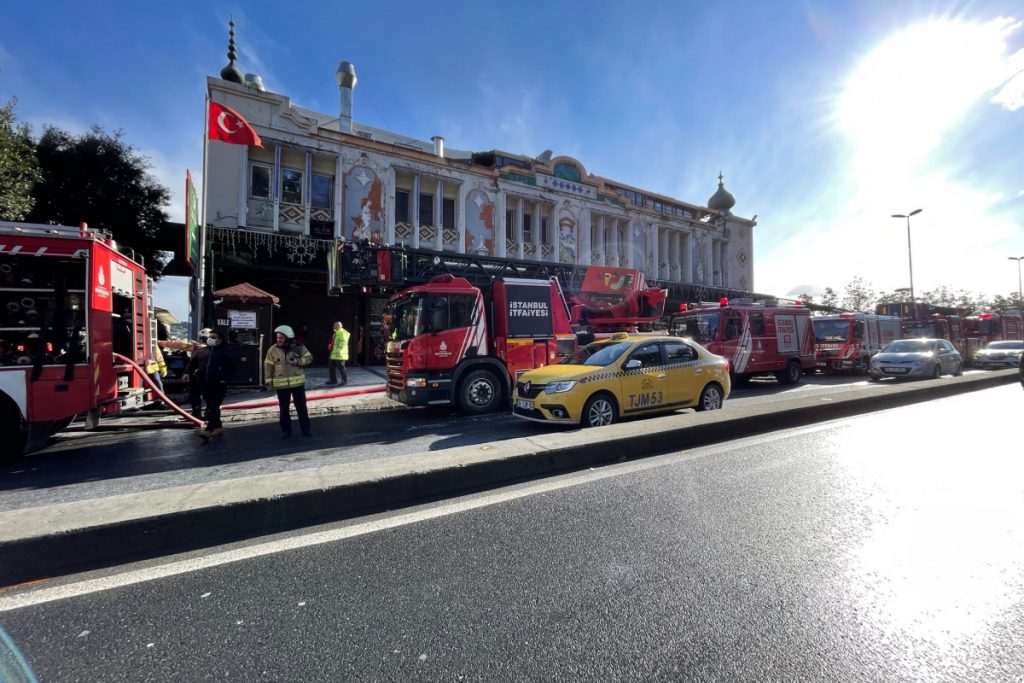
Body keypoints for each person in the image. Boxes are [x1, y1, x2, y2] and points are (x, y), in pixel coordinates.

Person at [182, 328, 236, 441]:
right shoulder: (202, 351)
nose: (210, 339)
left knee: (214, 405)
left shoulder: (226, 351)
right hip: (204, 382)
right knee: (211, 405)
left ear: (220, 339)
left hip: (219, 383)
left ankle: (208, 429)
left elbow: (233, 367)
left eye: (213, 337)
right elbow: (192, 363)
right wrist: (187, 373)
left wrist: (225, 379)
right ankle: (218, 427)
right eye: (209, 337)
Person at [264, 324, 313, 438]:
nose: (278, 340)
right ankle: (286, 431)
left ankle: (306, 429)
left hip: (297, 384)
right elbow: (268, 366)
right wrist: (268, 381)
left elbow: (309, 358)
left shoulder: (299, 347)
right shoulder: (272, 350)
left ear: (288, 337)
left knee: (301, 407)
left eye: (281, 337)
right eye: (277, 337)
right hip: (282, 385)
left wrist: (298, 361)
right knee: (284, 409)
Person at [185, 328, 212, 419]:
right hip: (200, 376)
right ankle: (201, 413)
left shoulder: (202, 348)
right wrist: (187, 372)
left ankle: (200, 413)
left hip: (203, 376)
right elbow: (193, 362)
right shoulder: (201, 348)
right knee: (200, 395)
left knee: (202, 395)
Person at [326, 320, 350, 386]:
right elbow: (335, 342)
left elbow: (342, 343)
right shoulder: (336, 333)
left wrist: (333, 346)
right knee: (331, 367)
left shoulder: (341, 332)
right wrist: (331, 345)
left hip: (339, 354)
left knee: (341, 368)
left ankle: (344, 381)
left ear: (338, 326)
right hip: (334, 354)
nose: (333, 326)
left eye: (334, 325)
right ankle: (333, 380)